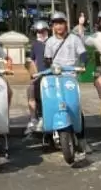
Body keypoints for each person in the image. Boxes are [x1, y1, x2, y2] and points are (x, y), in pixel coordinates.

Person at [38, 11, 90, 152]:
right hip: (54, 76)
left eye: (61, 23)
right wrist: (48, 68)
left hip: (70, 76)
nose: (59, 26)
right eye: (56, 24)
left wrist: (83, 63)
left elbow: (83, 53)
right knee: (50, 102)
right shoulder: (50, 42)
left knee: (74, 105)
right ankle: (47, 136)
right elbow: (47, 60)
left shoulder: (74, 39)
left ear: (66, 24)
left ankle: (82, 138)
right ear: (52, 26)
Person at [24, 20, 50, 134]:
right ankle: (33, 118)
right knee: (31, 90)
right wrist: (32, 72)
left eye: (43, 31)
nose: (41, 33)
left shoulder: (52, 42)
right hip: (39, 75)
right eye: (38, 31)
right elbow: (31, 61)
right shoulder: (35, 44)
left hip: (51, 74)